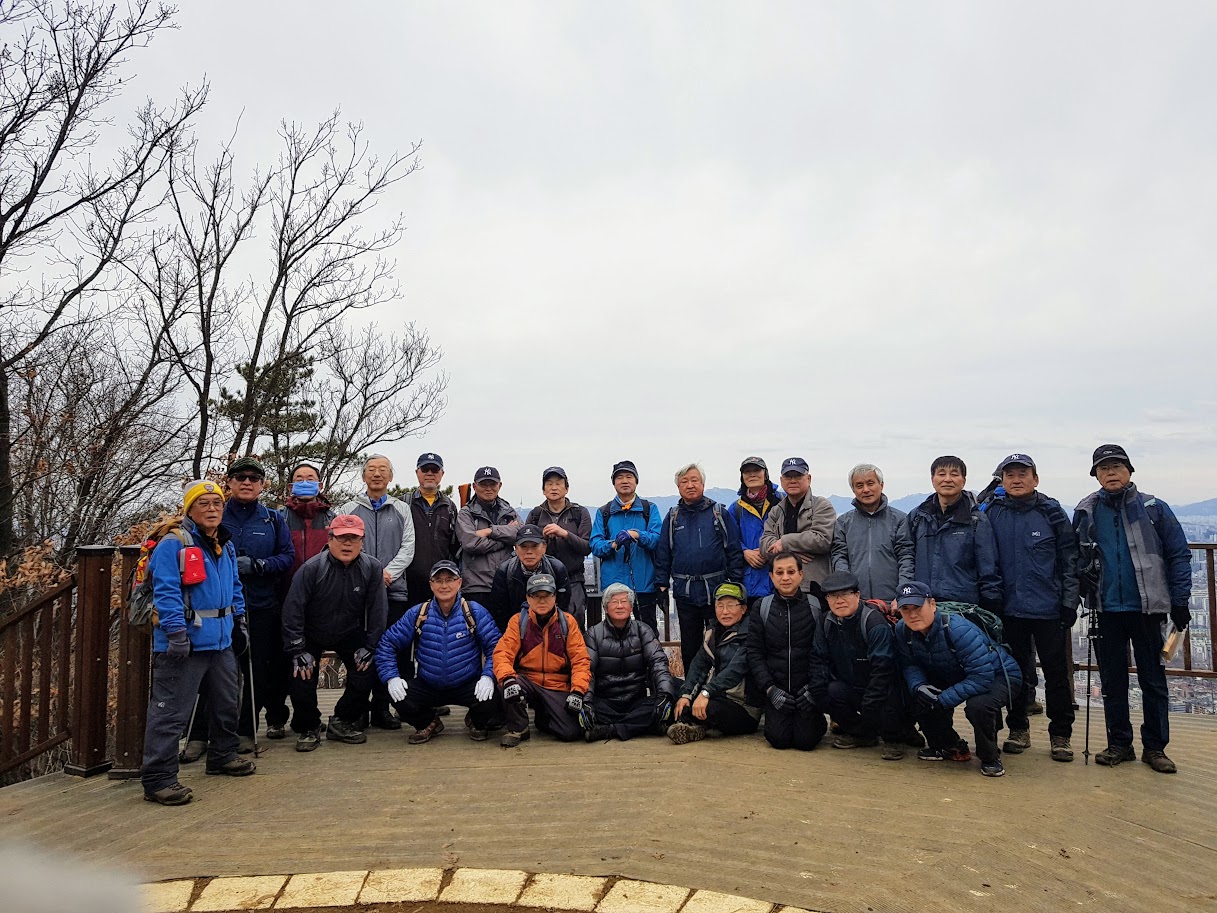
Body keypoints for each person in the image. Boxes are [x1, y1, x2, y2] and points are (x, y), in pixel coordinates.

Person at [1072, 444, 1192, 774]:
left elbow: (1179, 555)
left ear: (1129, 471)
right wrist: (1081, 580)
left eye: (1117, 466)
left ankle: (1155, 748)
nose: (1111, 472)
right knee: (1112, 682)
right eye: (1103, 468)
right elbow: (1075, 557)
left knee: (1153, 681)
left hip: (1147, 608)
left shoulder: (1154, 509)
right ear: (1096, 475)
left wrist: (1180, 600)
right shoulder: (1086, 511)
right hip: (1105, 608)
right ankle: (1119, 744)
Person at [141, 480, 254, 806]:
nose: (212, 509)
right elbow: (166, 591)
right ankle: (159, 780)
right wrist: (176, 633)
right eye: (203, 504)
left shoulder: (224, 544)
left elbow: (234, 587)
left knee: (227, 703)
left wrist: (239, 621)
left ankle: (222, 754)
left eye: (217, 503)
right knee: (171, 713)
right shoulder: (173, 544)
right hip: (184, 643)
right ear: (190, 509)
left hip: (220, 641)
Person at [181, 456, 295, 760]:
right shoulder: (214, 514)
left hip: (260, 606)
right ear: (229, 482)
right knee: (208, 671)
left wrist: (258, 565)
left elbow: (287, 557)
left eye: (254, 478)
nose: (247, 482)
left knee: (255, 671)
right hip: (214, 608)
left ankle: (245, 731)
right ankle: (199, 735)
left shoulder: (273, 519)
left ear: (262, 485)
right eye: (240, 477)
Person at [985, 453, 1080, 762]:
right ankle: (1018, 729)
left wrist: (1069, 601)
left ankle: (1061, 735)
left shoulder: (1051, 512)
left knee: (1056, 674)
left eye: (1022, 474)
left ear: (1035, 479)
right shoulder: (992, 512)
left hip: (1048, 608)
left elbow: (1069, 558)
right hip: (1008, 608)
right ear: (1002, 480)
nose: (1016, 480)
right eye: (1010, 475)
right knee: (1013, 672)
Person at [892, 582, 1022, 778]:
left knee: (978, 706)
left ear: (932, 604)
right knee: (919, 695)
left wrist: (943, 700)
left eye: (917, 607)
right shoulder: (902, 629)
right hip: (954, 671)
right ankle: (947, 745)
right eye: (906, 609)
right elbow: (910, 664)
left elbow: (982, 677)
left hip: (999, 675)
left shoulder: (958, 629)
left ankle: (990, 757)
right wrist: (919, 687)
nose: (912, 614)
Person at [282, 514, 388, 752]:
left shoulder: (372, 568)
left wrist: (371, 646)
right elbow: (292, 610)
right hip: (311, 631)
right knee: (301, 672)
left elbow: (378, 610)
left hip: (348, 630)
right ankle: (309, 726)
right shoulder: (311, 568)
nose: (347, 543)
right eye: (341, 537)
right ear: (330, 539)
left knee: (367, 668)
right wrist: (297, 649)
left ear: (362, 541)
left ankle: (342, 720)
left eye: (353, 538)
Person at [374, 561, 501, 743]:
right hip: (428, 684)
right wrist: (391, 677)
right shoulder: (418, 613)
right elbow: (387, 644)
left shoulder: (474, 611)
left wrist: (488, 676)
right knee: (397, 695)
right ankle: (428, 722)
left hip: (467, 683)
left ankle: (475, 721)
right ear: (431, 584)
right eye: (438, 580)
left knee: (494, 696)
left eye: (450, 579)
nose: (444, 585)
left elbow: (496, 648)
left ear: (459, 582)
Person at [340, 454, 416, 730]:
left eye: (383, 469)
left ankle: (382, 708)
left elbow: (408, 546)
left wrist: (387, 573)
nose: (377, 474)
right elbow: (341, 546)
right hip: (357, 592)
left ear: (390, 476)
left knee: (389, 649)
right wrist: (370, 576)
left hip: (393, 591)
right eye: (371, 469)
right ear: (363, 476)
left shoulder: (401, 508)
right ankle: (358, 709)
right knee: (359, 651)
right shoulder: (348, 509)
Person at [655, 463, 744, 675]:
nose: (690, 485)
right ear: (678, 487)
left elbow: (734, 549)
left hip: (717, 590)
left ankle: (720, 689)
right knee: (689, 647)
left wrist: (735, 583)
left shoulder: (718, 513)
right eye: (684, 481)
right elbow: (663, 552)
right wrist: (661, 584)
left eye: (694, 480)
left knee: (722, 643)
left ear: (703, 484)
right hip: (685, 592)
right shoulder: (673, 516)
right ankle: (691, 687)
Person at [807, 571, 907, 760]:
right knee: (828, 691)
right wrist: (818, 692)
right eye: (833, 596)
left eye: (845, 594)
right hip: (851, 685)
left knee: (888, 699)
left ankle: (894, 739)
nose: (839, 601)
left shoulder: (873, 623)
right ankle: (862, 735)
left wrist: (870, 705)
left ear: (858, 595)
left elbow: (883, 670)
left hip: (883, 688)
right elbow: (818, 658)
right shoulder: (825, 621)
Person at [491, 573, 591, 747]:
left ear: (555, 597)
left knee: (570, 732)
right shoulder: (518, 621)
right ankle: (519, 728)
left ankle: (543, 717)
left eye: (547, 595)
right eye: (536, 596)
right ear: (528, 598)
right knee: (506, 684)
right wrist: (507, 679)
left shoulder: (568, 622)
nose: (542, 600)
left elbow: (580, 660)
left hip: (557, 684)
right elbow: (502, 654)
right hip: (528, 680)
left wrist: (577, 691)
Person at [746, 552, 828, 751]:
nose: (785, 578)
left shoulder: (816, 605)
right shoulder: (761, 607)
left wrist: (813, 689)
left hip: (807, 688)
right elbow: (755, 652)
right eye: (779, 572)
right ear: (771, 576)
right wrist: (770, 689)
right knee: (778, 739)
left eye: (791, 572)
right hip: (777, 688)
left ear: (801, 574)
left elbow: (824, 653)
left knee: (806, 742)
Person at [667, 582, 761, 743]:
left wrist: (706, 693)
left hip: (742, 707)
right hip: (716, 695)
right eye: (720, 606)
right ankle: (693, 725)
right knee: (672, 688)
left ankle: (687, 722)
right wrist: (686, 695)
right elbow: (698, 666)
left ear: (743, 609)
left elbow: (735, 671)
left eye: (731, 605)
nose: (725, 611)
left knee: (711, 708)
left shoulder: (751, 634)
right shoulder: (712, 632)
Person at [906, 456, 1003, 611]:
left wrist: (991, 605)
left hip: (963, 607)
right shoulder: (918, 517)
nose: (947, 479)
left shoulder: (976, 520)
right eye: (941, 474)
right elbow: (906, 557)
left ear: (963, 481)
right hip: (922, 604)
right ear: (932, 479)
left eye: (954, 474)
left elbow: (988, 569)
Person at [582, 583, 675, 741]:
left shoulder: (643, 630)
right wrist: (587, 701)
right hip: (605, 702)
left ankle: (610, 730)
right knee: (576, 710)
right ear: (606, 608)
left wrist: (664, 695)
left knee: (672, 697)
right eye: (614, 602)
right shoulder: (593, 634)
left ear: (631, 607)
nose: (620, 606)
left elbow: (658, 662)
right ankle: (643, 725)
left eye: (624, 601)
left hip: (636, 701)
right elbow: (587, 670)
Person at [589, 460, 662, 632]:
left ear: (636, 481)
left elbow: (657, 540)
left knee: (647, 631)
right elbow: (595, 545)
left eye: (629, 477)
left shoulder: (649, 509)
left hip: (644, 584)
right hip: (613, 586)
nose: (624, 481)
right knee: (614, 632)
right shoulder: (604, 512)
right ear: (614, 483)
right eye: (620, 477)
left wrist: (638, 535)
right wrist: (613, 544)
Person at [830, 463, 914, 602]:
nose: (866, 490)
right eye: (859, 485)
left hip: (892, 601)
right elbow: (839, 556)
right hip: (856, 602)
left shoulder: (900, 519)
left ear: (881, 485)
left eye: (870, 483)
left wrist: (903, 595)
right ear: (853, 490)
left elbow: (906, 558)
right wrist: (846, 590)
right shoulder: (843, 522)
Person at [526, 466, 593, 629]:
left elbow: (587, 547)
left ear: (566, 488)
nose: (554, 488)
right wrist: (543, 538)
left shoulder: (579, 513)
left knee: (573, 626)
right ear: (543, 490)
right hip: (541, 580)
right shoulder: (535, 514)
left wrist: (564, 534)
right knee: (542, 627)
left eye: (558, 483)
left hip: (573, 579)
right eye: (549, 484)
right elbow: (527, 547)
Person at [759, 457, 837, 587]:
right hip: (783, 586)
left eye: (798, 476)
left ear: (809, 478)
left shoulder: (822, 506)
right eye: (788, 476)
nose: (793, 480)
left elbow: (822, 539)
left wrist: (784, 542)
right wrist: (791, 552)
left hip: (814, 586)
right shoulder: (776, 511)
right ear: (781, 480)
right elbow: (764, 545)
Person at [455, 465, 521, 614]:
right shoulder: (466, 513)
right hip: (476, 587)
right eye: (483, 484)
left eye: (492, 484)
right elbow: (470, 543)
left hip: (506, 584)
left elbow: (520, 534)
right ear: (474, 486)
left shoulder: (509, 511)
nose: (488, 488)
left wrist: (490, 531)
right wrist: (504, 539)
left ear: (500, 485)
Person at [488, 523, 571, 631]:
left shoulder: (557, 569)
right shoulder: (505, 571)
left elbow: (563, 606)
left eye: (534, 546)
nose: (529, 552)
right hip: (514, 629)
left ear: (544, 547)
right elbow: (499, 611)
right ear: (516, 548)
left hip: (551, 628)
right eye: (524, 547)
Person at [404, 453, 460, 608]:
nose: (430, 473)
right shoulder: (404, 504)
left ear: (442, 474)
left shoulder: (450, 507)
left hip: (441, 583)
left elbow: (455, 545)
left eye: (434, 470)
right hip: (409, 583)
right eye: (425, 469)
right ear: (417, 472)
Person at [727, 457, 782, 610]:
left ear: (765, 474)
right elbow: (730, 539)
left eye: (757, 470)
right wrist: (745, 552)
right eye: (747, 472)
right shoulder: (736, 508)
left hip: (780, 579)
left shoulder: (781, 501)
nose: (752, 474)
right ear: (742, 477)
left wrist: (769, 550)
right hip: (749, 584)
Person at [282, 460, 337, 580]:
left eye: (310, 479)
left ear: (320, 486)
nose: (305, 483)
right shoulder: (280, 518)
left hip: (324, 584)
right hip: (286, 585)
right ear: (291, 487)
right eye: (299, 480)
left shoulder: (333, 519)